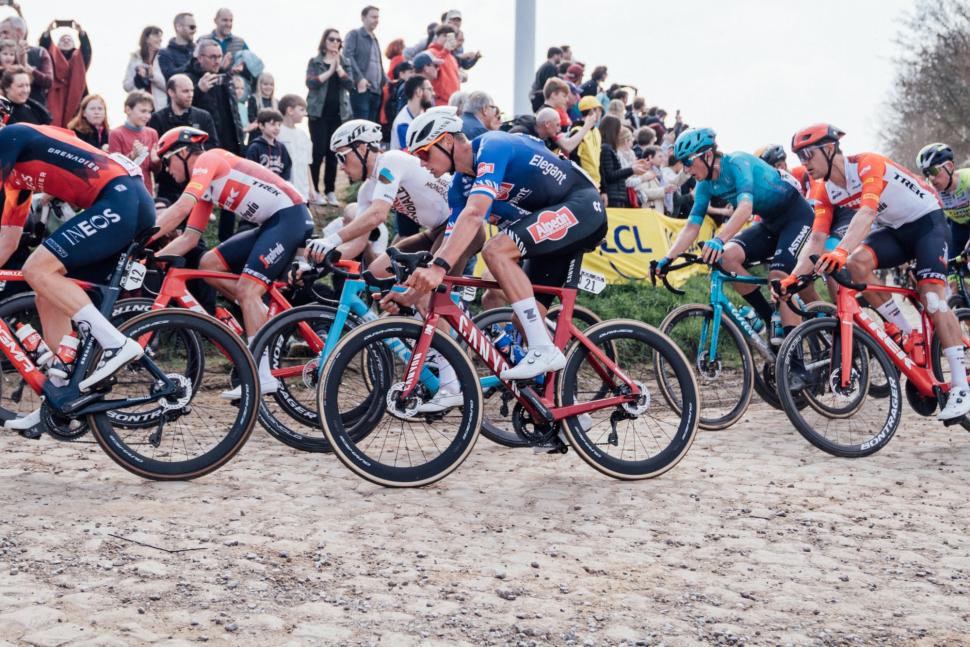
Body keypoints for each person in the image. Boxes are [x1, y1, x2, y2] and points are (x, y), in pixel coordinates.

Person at [399, 107, 608, 380]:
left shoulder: (492, 146)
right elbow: (452, 240)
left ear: (448, 141)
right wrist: (410, 295)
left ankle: (543, 350)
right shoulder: (459, 185)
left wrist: (437, 268)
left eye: (424, 153)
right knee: (522, 322)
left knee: (495, 250)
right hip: (553, 224)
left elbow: (474, 216)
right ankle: (567, 407)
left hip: (581, 205)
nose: (422, 163)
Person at [782, 124, 970, 420]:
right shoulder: (822, 189)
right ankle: (906, 333)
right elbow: (816, 240)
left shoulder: (868, 164)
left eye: (808, 154)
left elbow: (867, 214)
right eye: (799, 156)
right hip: (895, 231)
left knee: (933, 299)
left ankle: (961, 386)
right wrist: (793, 276)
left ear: (830, 149)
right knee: (856, 264)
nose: (804, 162)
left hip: (927, 224)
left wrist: (840, 250)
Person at [0, 118, 155, 431]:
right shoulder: (17, 181)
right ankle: (60, 396)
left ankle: (115, 343)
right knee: (47, 291)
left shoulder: (10, 136)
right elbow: (9, 240)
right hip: (124, 201)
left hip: (120, 197)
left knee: (36, 268)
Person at [151, 127, 313, 397]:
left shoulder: (208, 160)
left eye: (167, 162)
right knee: (208, 265)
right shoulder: (206, 188)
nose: (168, 171)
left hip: (290, 217)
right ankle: (259, 315)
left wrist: (140, 238)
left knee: (248, 290)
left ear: (182, 153)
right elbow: (190, 238)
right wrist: (152, 256)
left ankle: (260, 375)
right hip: (272, 222)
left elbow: (180, 208)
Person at [655, 128, 818, 344]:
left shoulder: (738, 163)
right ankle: (769, 316)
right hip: (770, 223)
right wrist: (668, 258)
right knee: (726, 257)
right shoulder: (704, 185)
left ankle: (796, 364)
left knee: (778, 278)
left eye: (688, 162)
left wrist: (718, 239)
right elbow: (692, 226)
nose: (686, 169)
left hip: (796, 217)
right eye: (682, 163)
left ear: (708, 155)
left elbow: (744, 208)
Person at [304, 119, 466, 295]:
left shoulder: (391, 160)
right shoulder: (366, 190)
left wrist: (331, 240)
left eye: (342, 156)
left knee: (428, 296)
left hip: (459, 225)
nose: (341, 167)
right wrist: (314, 266)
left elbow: (377, 215)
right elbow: (358, 243)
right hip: (435, 231)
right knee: (376, 272)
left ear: (362, 148)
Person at [147, 73, 219, 203]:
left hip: (197, 182)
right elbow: (155, 152)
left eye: (192, 90)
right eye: (185, 91)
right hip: (168, 185)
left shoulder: (203, 116)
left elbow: (213, 147)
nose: (191, 94)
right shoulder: (157, 119)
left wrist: (190, 154)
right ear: (171, 92)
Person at [306, 28, 352, 207]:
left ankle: (330, 191)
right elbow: (310, 83)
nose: (335, 43)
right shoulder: (315, 62)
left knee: (333, 153)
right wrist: (330, 70)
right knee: (317, 152)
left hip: (338, 115)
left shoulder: (345, 62)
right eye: (332, 39)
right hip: (318, 114)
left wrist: (338, 68)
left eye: (338, 40)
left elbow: (350, 84)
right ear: (324, 41)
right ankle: (315, 191)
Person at [183, 38, 244, 159]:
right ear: (200, 58)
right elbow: (180, 111)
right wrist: (199, 91)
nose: (217, 61)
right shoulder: (187, 79)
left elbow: (234, 116)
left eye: (219, 57)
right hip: (205, 148)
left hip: (231, 148)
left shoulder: (224, 77)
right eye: (212, 57)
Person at [916, 143, 970, 256]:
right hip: (957, 227)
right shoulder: (930, 190)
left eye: (934, 171)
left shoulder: (968, 179)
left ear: (949, 166)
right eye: (926, 173)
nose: (930, 178)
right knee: (949, 268)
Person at [38, 21, 91, 128]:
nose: (66, 40)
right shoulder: (50, 56)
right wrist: (48, 32)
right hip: (53, 97)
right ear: (56, 45)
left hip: (76, 99)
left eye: (69, 39)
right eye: (62, 39)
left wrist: (81, 33)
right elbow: (44, 47)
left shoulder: (80, 58)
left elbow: (86, 50)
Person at [108, 90, 160, 194]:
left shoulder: (152, 133)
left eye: (149, 112)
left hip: (146, 190)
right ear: (128, 109)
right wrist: (132, 156)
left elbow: (154, 170)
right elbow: (114, 167)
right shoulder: (116, 133)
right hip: (125, 190)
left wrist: (156, 161)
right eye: (143, 111)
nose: (147, 116)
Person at [344, 5, 386, 122]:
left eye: (377, 17)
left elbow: (379, 65)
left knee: (370, 130)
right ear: (363, 17)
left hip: (376, 91)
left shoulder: (375, 39)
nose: (376, 20)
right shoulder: (354, 34)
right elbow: (347, 56)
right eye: (373, 17)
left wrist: (387, 81)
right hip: (362, 90)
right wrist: (359, 79)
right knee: (361, 127)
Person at [0, 16, 52, 107]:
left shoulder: (39, 52)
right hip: (5, 113)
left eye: (5, 32)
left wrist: (27, 68)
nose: (2, 36)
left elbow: (48, 82)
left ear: (19, 33)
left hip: (33, 113)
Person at [599, 115, 649, 208]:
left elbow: (614, 171)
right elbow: (609, 175)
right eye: (618, 128)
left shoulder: (609, 148)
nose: (619, 132)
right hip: (613, 197)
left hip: (616, 196)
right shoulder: (606, 148)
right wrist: (632, 170)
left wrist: (632, 166)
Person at [277, 94, 318, 204]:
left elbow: (307, 165)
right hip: (284, 191)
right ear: (290, 110)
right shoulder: (278, 133)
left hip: (302, 191)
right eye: (301, 110)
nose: (305, 114)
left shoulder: (303, 135)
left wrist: (311, 188)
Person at [123, 26, 167, 110]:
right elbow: (126, 86)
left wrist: (152, 76)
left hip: (159, 109)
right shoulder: (135, 58)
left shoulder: (164, 57)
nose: (160, 39)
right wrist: (137, 77)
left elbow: (169, 87)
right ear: (146, 39)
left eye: (161, 37)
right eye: (156, 36)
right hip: (139, 107)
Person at [569, 96, 603, 191]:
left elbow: (599, 161)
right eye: (599, 110)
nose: (600, 113)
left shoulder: (596, 131)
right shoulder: (577, 131)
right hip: (584, 185)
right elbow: (574, 161)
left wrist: (603, 189)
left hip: (595, 185)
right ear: (593, 111)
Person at [245, 109, 291, 180]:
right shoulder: (255, 147)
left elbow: (287, 168)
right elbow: (249, 170)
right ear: (261, 126)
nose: (277, 128)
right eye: (273, 124)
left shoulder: (282, 147)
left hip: (277, 188)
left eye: (279, 125)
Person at [390, 75, 432, 151]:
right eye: (429, 89)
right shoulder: (403, 123)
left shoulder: (421, 113)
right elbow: (413, 152)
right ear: (418, 91)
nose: (433, 93)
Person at [426, 25, 460, 107]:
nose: (446, 39)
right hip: (439, 102)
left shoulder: (452, 57)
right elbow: (432, 66)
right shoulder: (430, 52)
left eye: (450, 36)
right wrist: (445, 50)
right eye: (444, 35)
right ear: (437, 37)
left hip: (452, 104)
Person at [159, 12, 196, 80]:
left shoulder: (198, 50)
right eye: (192, 27)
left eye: (195, 27)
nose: (194, 30)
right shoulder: (165, 53)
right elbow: (169, 77)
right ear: (178, 27)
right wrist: (191, 65)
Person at [530, 46, 563, 111]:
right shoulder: (550, 67)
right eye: (560, 56)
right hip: (543, 100)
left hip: (538, 99)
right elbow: (551, 86)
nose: (561, 58)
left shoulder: (544, 66)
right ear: (555, 55)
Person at [232, 73, 258, 142]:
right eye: (237, 88)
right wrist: (246, 129)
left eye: (242, 88)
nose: (240, 91)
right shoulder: (227, 106)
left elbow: (246, 125)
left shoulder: (243, 107)